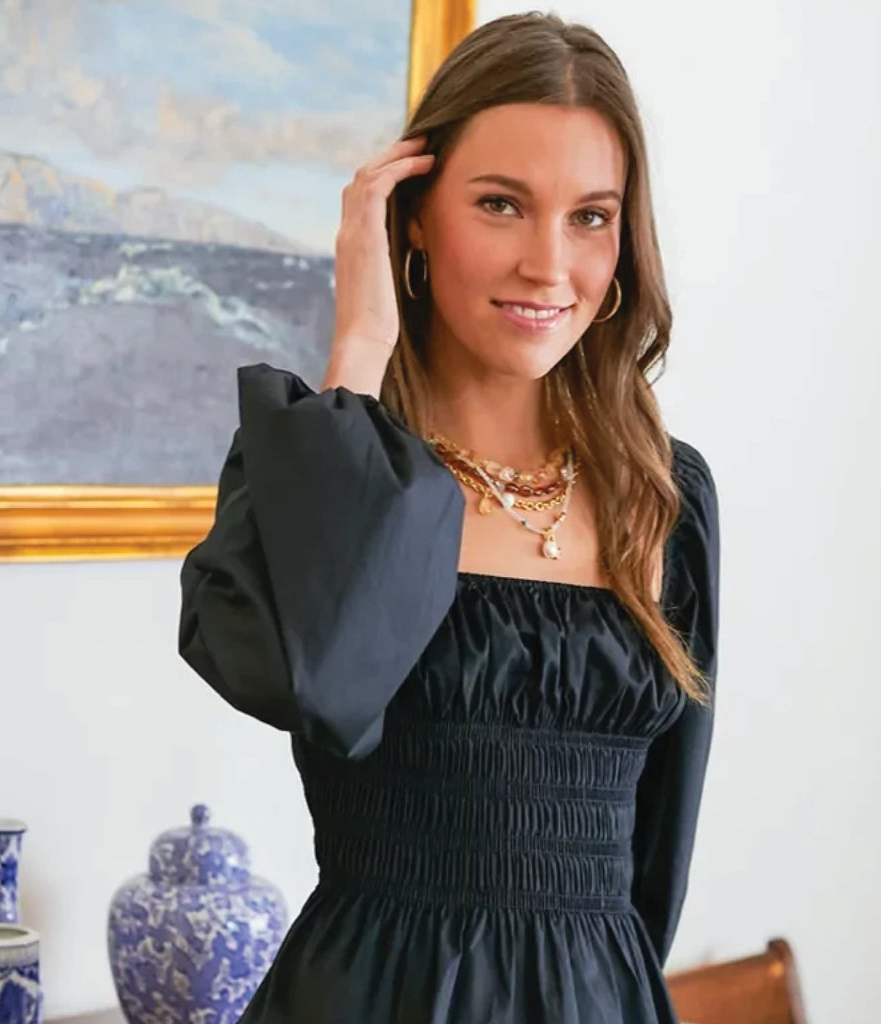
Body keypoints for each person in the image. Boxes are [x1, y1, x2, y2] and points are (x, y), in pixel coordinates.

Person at [178, 11, 720, 1023]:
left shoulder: (664, 491)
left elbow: (660, 848)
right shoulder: (313, 466)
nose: (548, 266)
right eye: (502, 204)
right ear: (416, 214)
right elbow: (318, 680)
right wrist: (359, 352)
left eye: (590, 216)